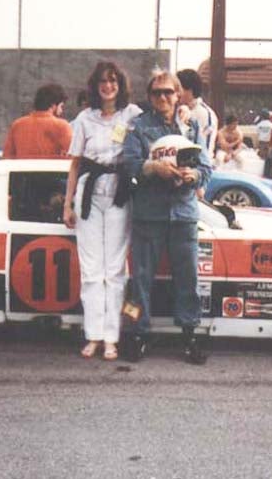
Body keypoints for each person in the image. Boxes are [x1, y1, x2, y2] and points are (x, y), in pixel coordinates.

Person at [121, 70, 212, 365]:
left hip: (183, 213)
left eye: (168, 92)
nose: (163, 97)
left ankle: (189, 333)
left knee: (188, 278)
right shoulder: (137, 127)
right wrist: (152, 168)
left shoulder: (192, 126)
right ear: (150, 97)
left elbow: (207, 169)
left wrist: (193, 174)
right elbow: (129, 165)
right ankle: (137, 333)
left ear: (178, 94)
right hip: (148, 213)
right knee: (140, 279)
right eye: (157, 92)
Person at [63, 62, 142, 361]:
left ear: (120, 85)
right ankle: (93, 335)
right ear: (95, 87)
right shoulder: (84, 119)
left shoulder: (132, 115)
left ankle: (112, 337)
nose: (108, 87)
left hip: (120, 194)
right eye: (102, 82)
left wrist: (184, 112)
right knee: (92, 269)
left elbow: (160, 125)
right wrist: (68, 203)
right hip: (90, 195)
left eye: (112, 81)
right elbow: (74, 164)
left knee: (115, 268)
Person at [2, 83, 72, 158]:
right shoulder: (61, 125)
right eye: (61, 106)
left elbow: (7, 155)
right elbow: (73, 154)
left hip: (22, 169)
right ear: (53, 105)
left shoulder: (17, 124)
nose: (61, 110)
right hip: (50, 169)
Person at [177, 69, 219, 158]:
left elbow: (205, 150)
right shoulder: (177, 111)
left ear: (190, 90)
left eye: (179, 89)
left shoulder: (204, 114)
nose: (176, 94)